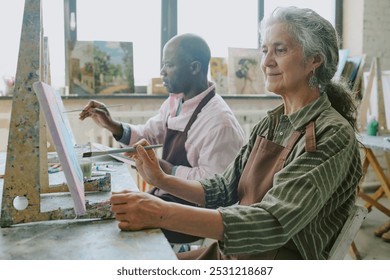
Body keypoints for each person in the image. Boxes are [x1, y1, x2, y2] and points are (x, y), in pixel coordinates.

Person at [109, 6, 362, 260]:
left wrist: (160, 213)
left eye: (280, 50)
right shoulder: (271, 124)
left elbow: (271, 222)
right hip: (239, 255)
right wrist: (161, 179)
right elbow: (223, 187)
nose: (266, 62)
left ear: (314, 60)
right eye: (265, 51)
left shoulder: (332, 134)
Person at [79, 33, 245, 244]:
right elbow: (148, 133)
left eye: (168, 65)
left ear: (194, 68)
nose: (161, 72)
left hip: (192, 214)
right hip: (167, 196)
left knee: (117, 228)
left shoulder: (220, 123)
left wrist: (164, 169)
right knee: (112, 210)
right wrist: (111, 125)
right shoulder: (176, 101)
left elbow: (217, 191)